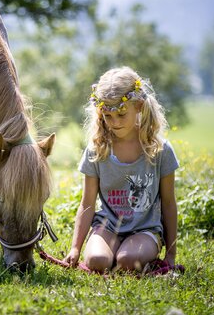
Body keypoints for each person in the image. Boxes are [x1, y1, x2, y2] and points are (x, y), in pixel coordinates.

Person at [64, 66, 179, 273]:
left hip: (146, 230)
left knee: (128, 261)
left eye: (121, 114)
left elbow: (169, 203)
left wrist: (171, 254)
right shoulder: (97, 149)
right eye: (108, 116)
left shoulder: (160, 150)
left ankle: (133, 254)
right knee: (97, 261)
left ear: (139, 106)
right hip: (107, 227)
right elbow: (87, 203)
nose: (114, 123)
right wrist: (75, 248)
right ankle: (108, 253)